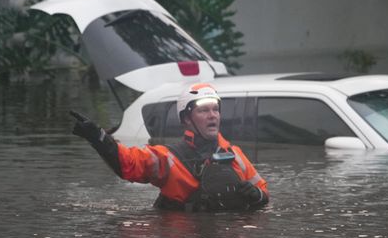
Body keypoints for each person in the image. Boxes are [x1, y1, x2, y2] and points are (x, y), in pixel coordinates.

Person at [70, 82, 269, 211]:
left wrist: (258, 196)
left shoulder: (235, 155)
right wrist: (98, 136)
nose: (212, 115)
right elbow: (127, 163)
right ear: (186, 119)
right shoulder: (167, 158)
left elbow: (263, 192)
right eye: (204, 111)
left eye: (216, 110)